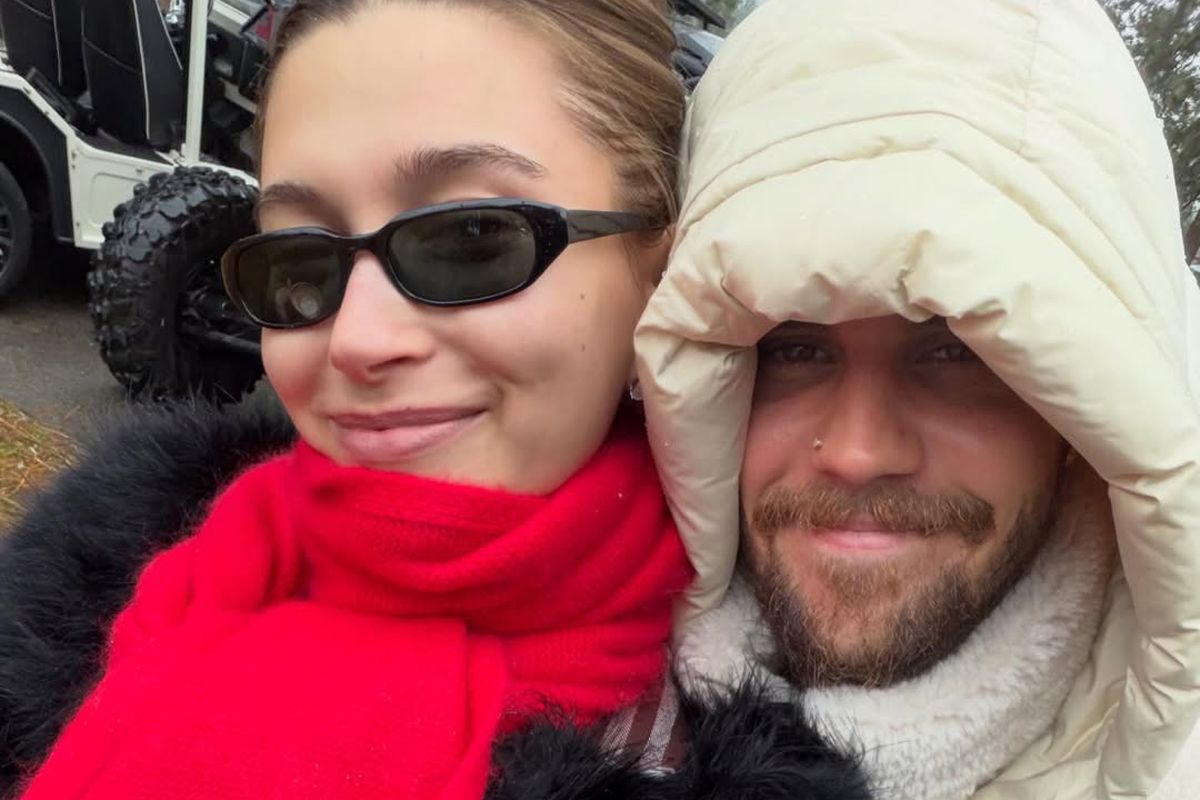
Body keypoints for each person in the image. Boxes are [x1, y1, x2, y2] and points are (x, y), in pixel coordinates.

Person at [0, 1, 868, 798]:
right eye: (299, 261)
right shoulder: (110, 595)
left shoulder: (772, 707)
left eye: (472, 239)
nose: (357, 340)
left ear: (659, 271)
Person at [636, 0, 1200, 798]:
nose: (860, 453)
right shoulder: (560, 710)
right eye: (793, 350)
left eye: (959, 353)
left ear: (1089, 417)